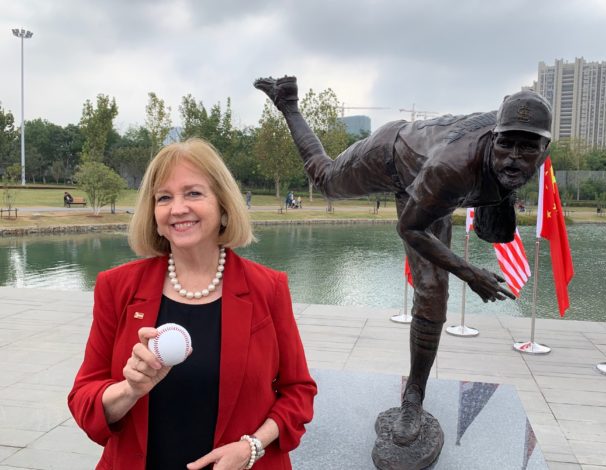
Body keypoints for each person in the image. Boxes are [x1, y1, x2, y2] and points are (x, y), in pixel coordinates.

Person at [254, 76, 552, 446]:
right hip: (390, 157)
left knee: (431, 296)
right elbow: (409, 228)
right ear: (494, 136)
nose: (514, 156)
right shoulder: (452, 168)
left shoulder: (524, 135)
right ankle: (288, 103)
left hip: (432, 182)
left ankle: (414, 396)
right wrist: (471, 273)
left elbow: (508, 159)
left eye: (528, 148)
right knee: (326, 178)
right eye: (506, 144)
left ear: (545, 147)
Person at [68, 138, 317, 469]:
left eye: (193, 193)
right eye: (164, 197)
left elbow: (298, 391)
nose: (177, 208)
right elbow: (84, 401)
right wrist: (130, 389)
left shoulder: (267, 288)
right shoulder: (117, 287)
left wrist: (251, 448)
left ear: (223, 205)